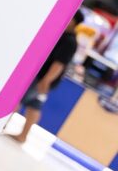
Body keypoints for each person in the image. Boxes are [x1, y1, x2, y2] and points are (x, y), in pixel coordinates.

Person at [9, 10, 85, 144]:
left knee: (17, 100)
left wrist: (46, 80)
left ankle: (0, 125)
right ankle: (23, 136)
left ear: (74, 21)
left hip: (41, 78)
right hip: (44, 79)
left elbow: (59, 63)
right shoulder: (63, 35)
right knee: (34, 106)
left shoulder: (69, 41)